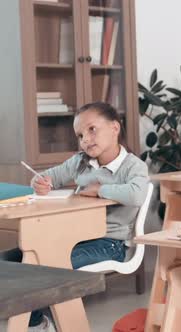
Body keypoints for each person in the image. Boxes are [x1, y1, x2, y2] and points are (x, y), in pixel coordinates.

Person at [27, 102, 150, 331]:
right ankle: (37, 321)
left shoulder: (134, 166)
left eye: (92, 129)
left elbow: (137, 193)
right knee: (15, 259)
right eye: (80, 135)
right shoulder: (80, 162)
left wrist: (100, 190)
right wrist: (39, 182)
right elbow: (48, 176)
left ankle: (38, 325)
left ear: (115, 128)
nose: (85, 139)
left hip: (109, 244)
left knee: (42, 267)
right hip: (72, 238)